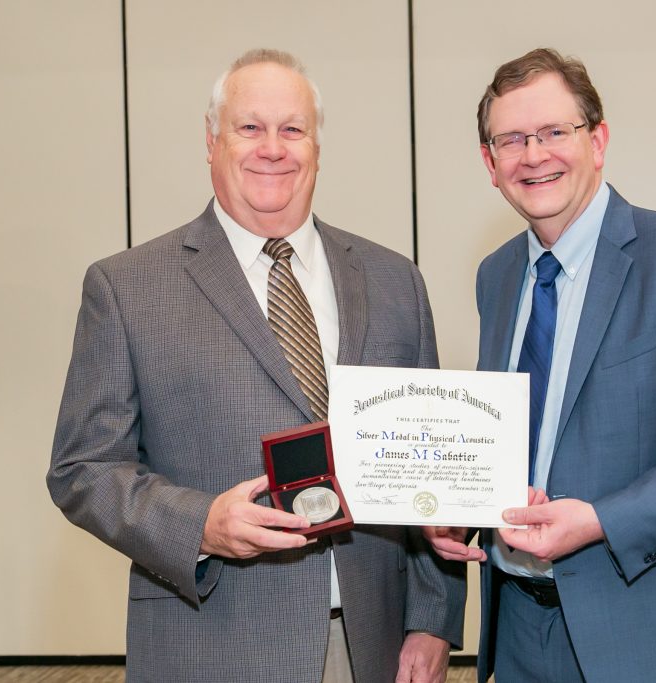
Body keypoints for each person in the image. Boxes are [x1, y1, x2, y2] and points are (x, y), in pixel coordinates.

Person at [49, 48, 463, 683]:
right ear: (211, 142)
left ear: (316, 148)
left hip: (369, 645)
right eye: (250, 127)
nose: (274, 147)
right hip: (211, 641)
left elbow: (430, 463)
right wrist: (201, 525)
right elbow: (83, 470)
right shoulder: (127, 288)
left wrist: (434, 619)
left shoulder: (393, 281)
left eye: (293, 129)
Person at [425, 48, 656, 682]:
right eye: (511, 140)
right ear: (490, 164)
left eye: (553, 132)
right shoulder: (497, 276)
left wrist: (601, 519)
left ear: (597, 141)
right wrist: (465, 501)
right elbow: (523, 436)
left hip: (651, 626)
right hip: (517, 625)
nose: (533, 155)